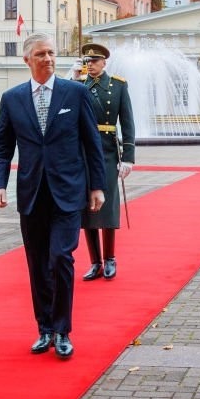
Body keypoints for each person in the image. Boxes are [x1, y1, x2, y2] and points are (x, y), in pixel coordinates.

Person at [0, 33, 106, 359]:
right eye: (41, 54)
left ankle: (63, 330)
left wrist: (97, 186)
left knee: (61, 258)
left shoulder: (76, 92)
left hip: (69, 192)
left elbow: (91, 143)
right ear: (27, 60)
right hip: (31, 194)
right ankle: (44, 329)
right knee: (38, 264)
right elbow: (1, 147)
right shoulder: (12, 98)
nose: (48, 58)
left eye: (52, 53)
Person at [79, 42, 136, 282]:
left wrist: (129, 158)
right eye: (87, 62)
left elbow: (128, 123)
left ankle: (110, 258)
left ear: (104, 62)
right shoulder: (77, 86)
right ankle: (95, 262)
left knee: (108, 204)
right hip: (83, 151)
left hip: (109, 151)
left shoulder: (118, 86)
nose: (90, 65)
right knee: (87, 207)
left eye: (94, 61)